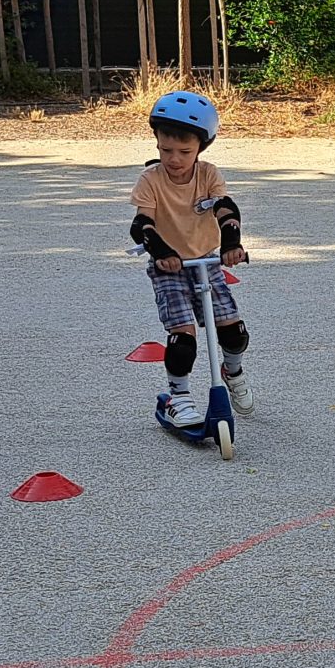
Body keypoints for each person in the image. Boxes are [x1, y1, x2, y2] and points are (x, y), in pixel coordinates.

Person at [130, 90, 253, 425]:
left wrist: (231, 244)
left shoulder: (208, 175)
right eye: (165, 150)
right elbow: (142, 224)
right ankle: (179, 398)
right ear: (157, 143)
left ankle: (233, 371)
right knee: (183, 340)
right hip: (169, 267)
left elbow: (225, 209)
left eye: (184, 151)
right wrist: (162, 252)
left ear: (201, 146)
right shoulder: (151, 180)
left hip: (206, 261)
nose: (174, 159)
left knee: (234, 332)